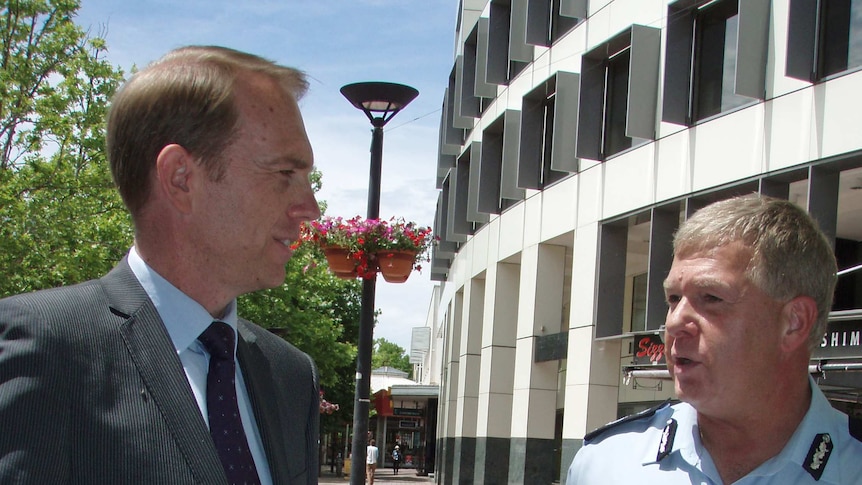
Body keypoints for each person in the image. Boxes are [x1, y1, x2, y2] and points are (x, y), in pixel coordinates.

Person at [0, 46, 322, 484]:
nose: (310, 207)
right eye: (286, 173)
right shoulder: (48, 348)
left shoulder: (290, 375)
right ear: (180, 178)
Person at [567, 194, 862, 484]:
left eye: (711, 297)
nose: (675, 322)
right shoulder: (604, 464)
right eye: (673, 298)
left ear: (794, 322)